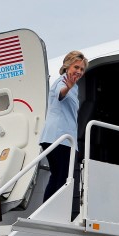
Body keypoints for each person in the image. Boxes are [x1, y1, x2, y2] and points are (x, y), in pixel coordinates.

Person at [39, 50, 87, 203]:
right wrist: (68, 86)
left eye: (81, 69)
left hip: (64, 139)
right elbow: (61, 94)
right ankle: (49, 211)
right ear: (67, 67)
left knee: (58, 176)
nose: (78, 71)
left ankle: (47, 210)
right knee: (61, 177)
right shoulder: (62, 81)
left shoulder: (75, 87)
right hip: (58, 138)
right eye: (76, 67)